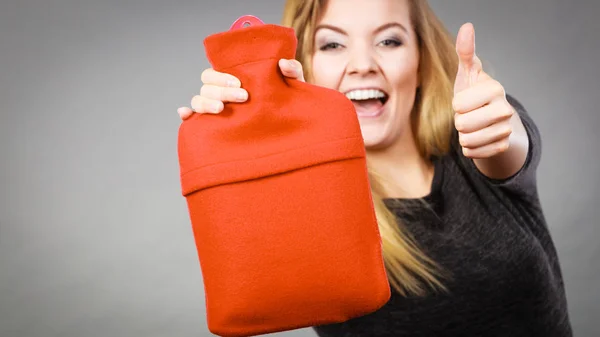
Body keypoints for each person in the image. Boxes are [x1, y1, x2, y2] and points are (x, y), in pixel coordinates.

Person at [177, 0, 573, 336]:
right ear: (301, 66)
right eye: (332, 44)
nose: (363, 64)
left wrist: (496, 128)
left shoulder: (477, 133)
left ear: (420, 58)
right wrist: (239, 134)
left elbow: (505, 144)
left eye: (389, 40)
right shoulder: (307, 193)